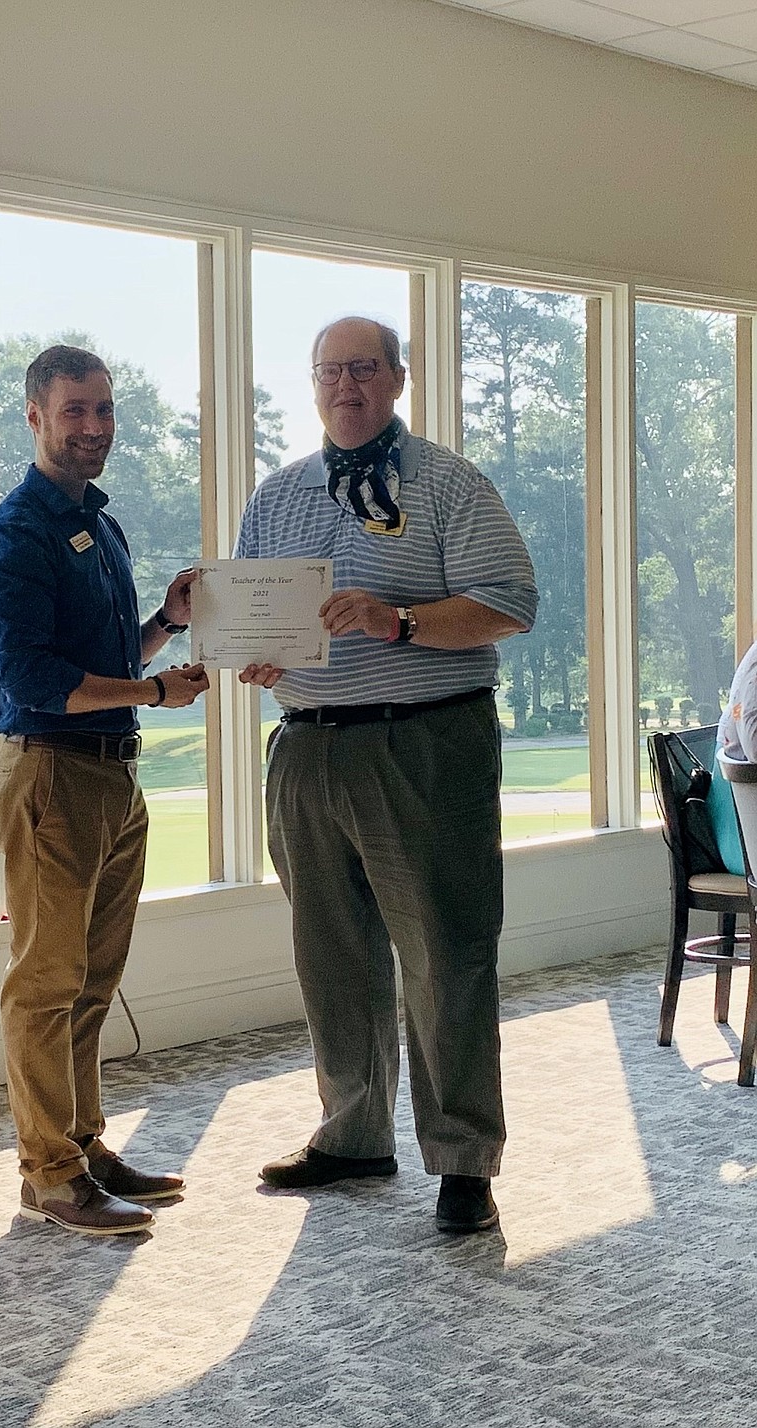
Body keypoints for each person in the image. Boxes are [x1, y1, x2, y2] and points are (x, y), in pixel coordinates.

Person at [235, 316, 538, 1233]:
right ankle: (354, 1133)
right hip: (304, 745)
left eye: (363, 370)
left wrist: (397, 621)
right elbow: (254, 612)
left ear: (398, 379)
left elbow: (511, 605)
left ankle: (462, 1162)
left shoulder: (448, 482)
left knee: (446, 951)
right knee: (332, 953)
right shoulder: (278, 494)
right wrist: (252, 652)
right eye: (329, 372)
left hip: (424, 744)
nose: (345, 387)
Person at [0, 344, 209, 1237]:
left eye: (104, 411)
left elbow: (105, 664)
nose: (94, 428)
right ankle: (50, 1174)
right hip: (51, 777)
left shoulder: (99, 528)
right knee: (45, 980)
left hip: (113, 774)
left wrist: (166, 627)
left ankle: (81, 1143)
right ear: (33, 415)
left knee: (93, 981)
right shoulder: (16, 535)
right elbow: (33, 680)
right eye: (75, 411)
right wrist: (155, 692)